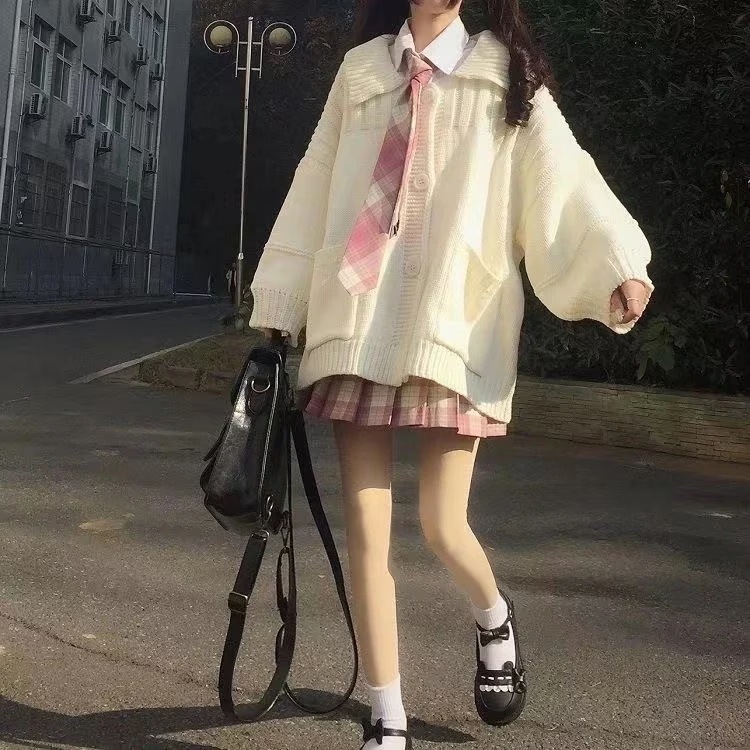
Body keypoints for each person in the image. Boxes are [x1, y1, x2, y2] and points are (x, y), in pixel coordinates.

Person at [248, 1, 654, 747]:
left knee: (442, 523)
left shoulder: (504, 75)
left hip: (453, 323)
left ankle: (494, 617)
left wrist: (616, 267)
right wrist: (281, 298)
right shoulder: (362, 72)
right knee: (367, 535)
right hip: (357, 319)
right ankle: (387, 716)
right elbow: (313, 185)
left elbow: (564, 179)